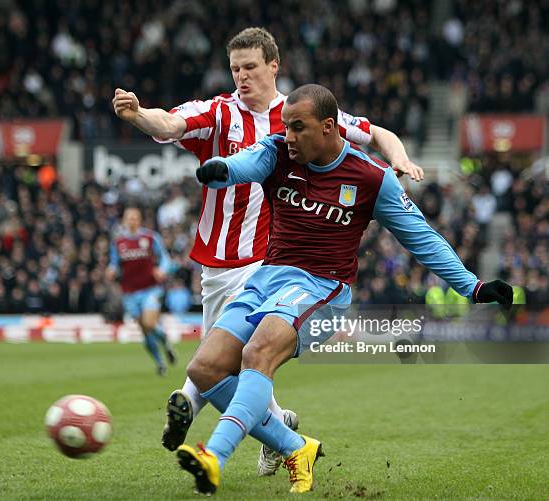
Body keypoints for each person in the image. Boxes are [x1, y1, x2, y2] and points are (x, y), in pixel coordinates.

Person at [112, 27, 425, 473]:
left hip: (272, 259)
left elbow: (376, 134)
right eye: (235, 68)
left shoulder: (301, 115)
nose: (242, 76)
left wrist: (399, 159)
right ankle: (280, 428)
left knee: (242, 358)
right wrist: (138, 113)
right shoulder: (219, 113)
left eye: (250, 67)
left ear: (273, 66)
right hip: (218, 262)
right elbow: (171, 123)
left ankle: (206, 419)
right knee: (218, 364)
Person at [176, 84, 513, 495]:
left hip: (323, 292)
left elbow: (421, 237)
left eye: (298, 128)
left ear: (329, 126)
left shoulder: (371, 177)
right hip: (267, 280)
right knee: (204, 370)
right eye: (285, 127)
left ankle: (213, 456)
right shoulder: (277, 151)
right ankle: (294, 446)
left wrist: (472, 286)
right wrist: (221, 170)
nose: (289, 136)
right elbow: (243, 164)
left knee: (257, 353)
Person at [106, 207, 176, 376]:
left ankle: (165, 341)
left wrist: (162, 270)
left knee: (150, 323)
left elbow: (166, 258)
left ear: (139, 220)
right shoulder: (118, 242)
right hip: (130, 292)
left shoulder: (150, 238)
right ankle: (160, 363)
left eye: (135, 218)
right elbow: (114, 263)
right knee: (144, 330)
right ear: (124, 221)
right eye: (129, 218)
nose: (132, 221)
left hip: (150, 288)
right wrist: (111, 270)